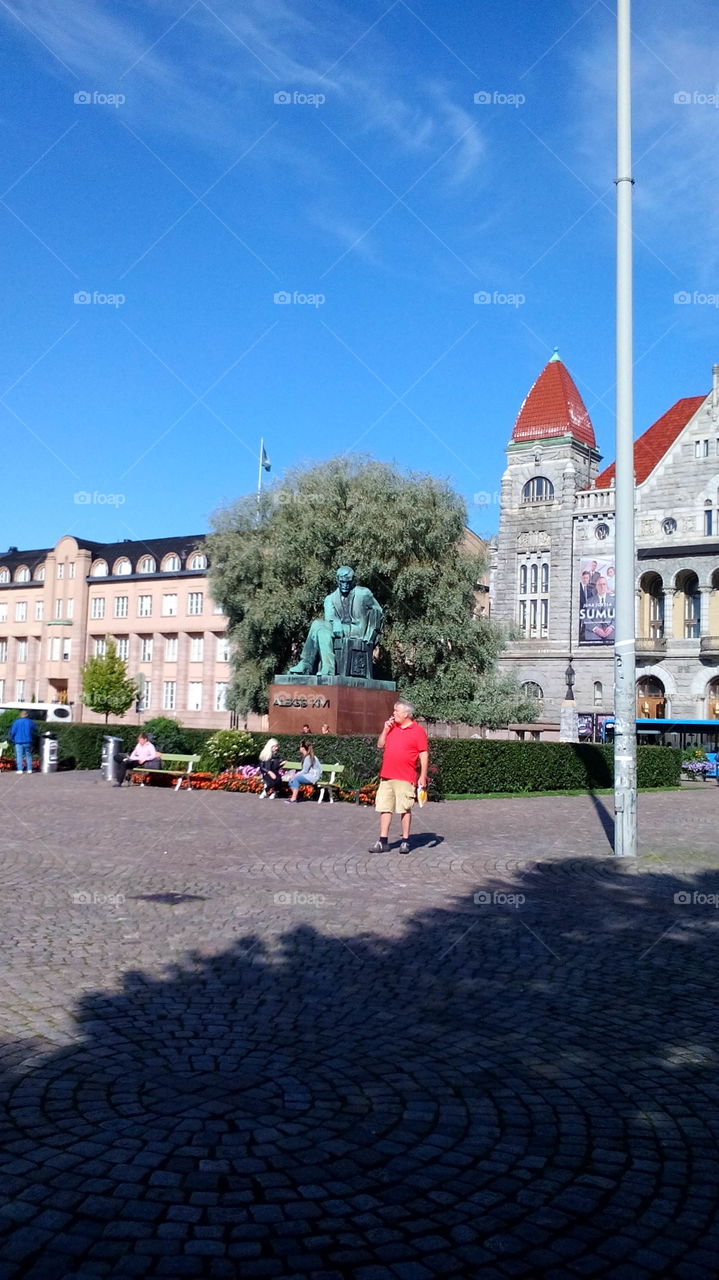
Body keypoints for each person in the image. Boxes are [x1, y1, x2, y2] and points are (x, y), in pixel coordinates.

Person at [288, 566, 383, 678]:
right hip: (338, 629)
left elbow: (378, 611)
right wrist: (336, 624)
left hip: (357, 631)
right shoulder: (330, 599)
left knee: (318, 625)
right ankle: (327, 668)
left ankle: (307, 664)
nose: (345, 585)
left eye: (348, 582)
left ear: (353, 581)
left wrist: (372, 635)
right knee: (321, 629)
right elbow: (330, 620)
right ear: (337, 581)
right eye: (342, 582)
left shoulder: (363, 594)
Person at [370, 700, 429, 856]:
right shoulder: (391, 728)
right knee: (384, 807)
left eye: (396, 711)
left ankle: (405, 840)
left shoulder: (418, 731)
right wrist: (384, 729)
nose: (393, 713)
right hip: (387, 775)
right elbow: (380, 745)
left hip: (405, 776)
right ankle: (383, 841)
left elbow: (423, 753)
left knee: (404, 808)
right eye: (394, 710)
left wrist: (422, 775)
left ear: (406, 714)